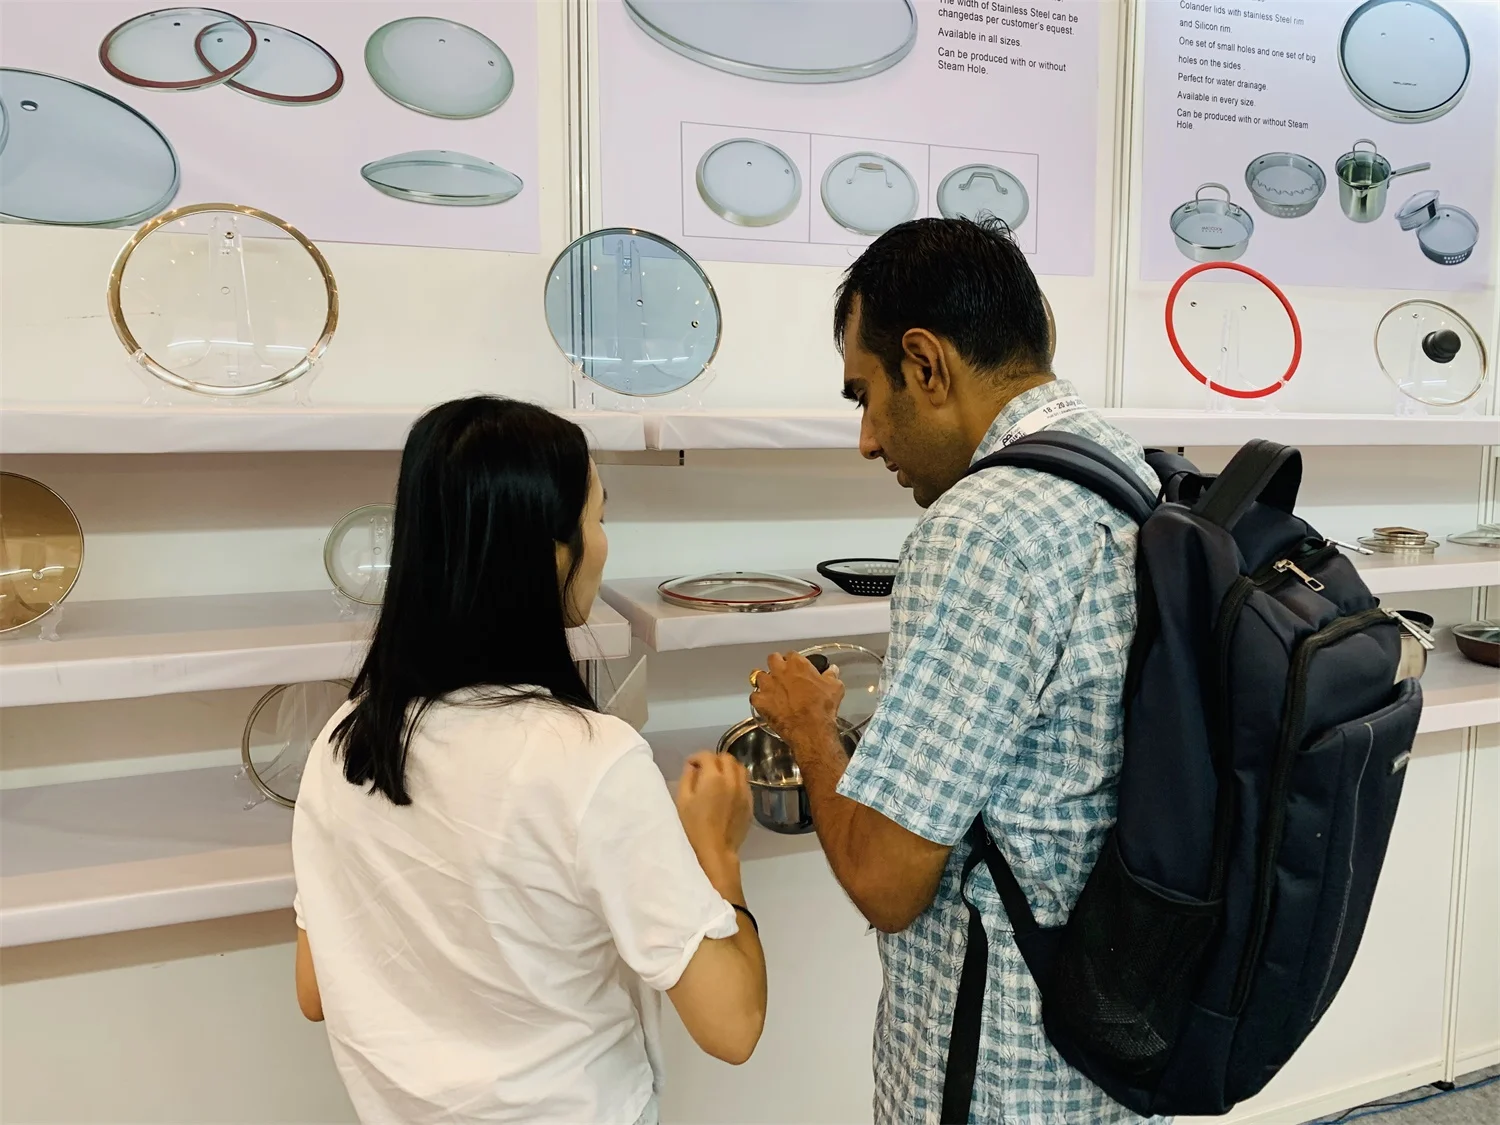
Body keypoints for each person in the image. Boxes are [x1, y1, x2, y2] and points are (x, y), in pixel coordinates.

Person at [749, 219, 1158, 1124]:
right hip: (1116, 1038)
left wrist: (810, 728)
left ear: (927, 365)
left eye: (866, 395)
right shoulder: (1127, 470)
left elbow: (888, 881)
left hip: (1000, 1061)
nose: (867, 439)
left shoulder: (982, 528)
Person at [291, 397, 766, 1124]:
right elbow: (733, 1024)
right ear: (552, 553)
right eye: (597, 517)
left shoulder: (345, 741)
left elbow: (315, 989)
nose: (603, 543)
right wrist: (716, 852)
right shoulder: (590, 760)